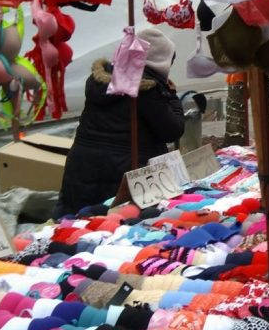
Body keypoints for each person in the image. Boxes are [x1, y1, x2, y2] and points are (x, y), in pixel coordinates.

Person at [56, 28, 186, 216]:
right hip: (125, 172)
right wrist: (172, 96)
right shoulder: (147, 89)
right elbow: (173, 130)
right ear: (161, 62)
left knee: (74, 225)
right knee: (114, 228)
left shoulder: (98, 81)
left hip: (83, 167)